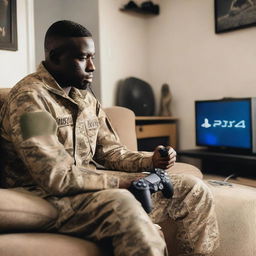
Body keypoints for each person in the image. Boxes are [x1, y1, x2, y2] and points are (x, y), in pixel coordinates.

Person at [0, 20, 219, 256]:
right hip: (45, 195)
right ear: (55, 57)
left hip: (91, 187)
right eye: (83, 58)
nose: (92, 66)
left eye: (93, 57)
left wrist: (150, 162)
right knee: (124, 203)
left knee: (193, 189)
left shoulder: (85, 99)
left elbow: (110, 151)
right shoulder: (29, 100)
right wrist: (125, 182)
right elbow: (55, 177)